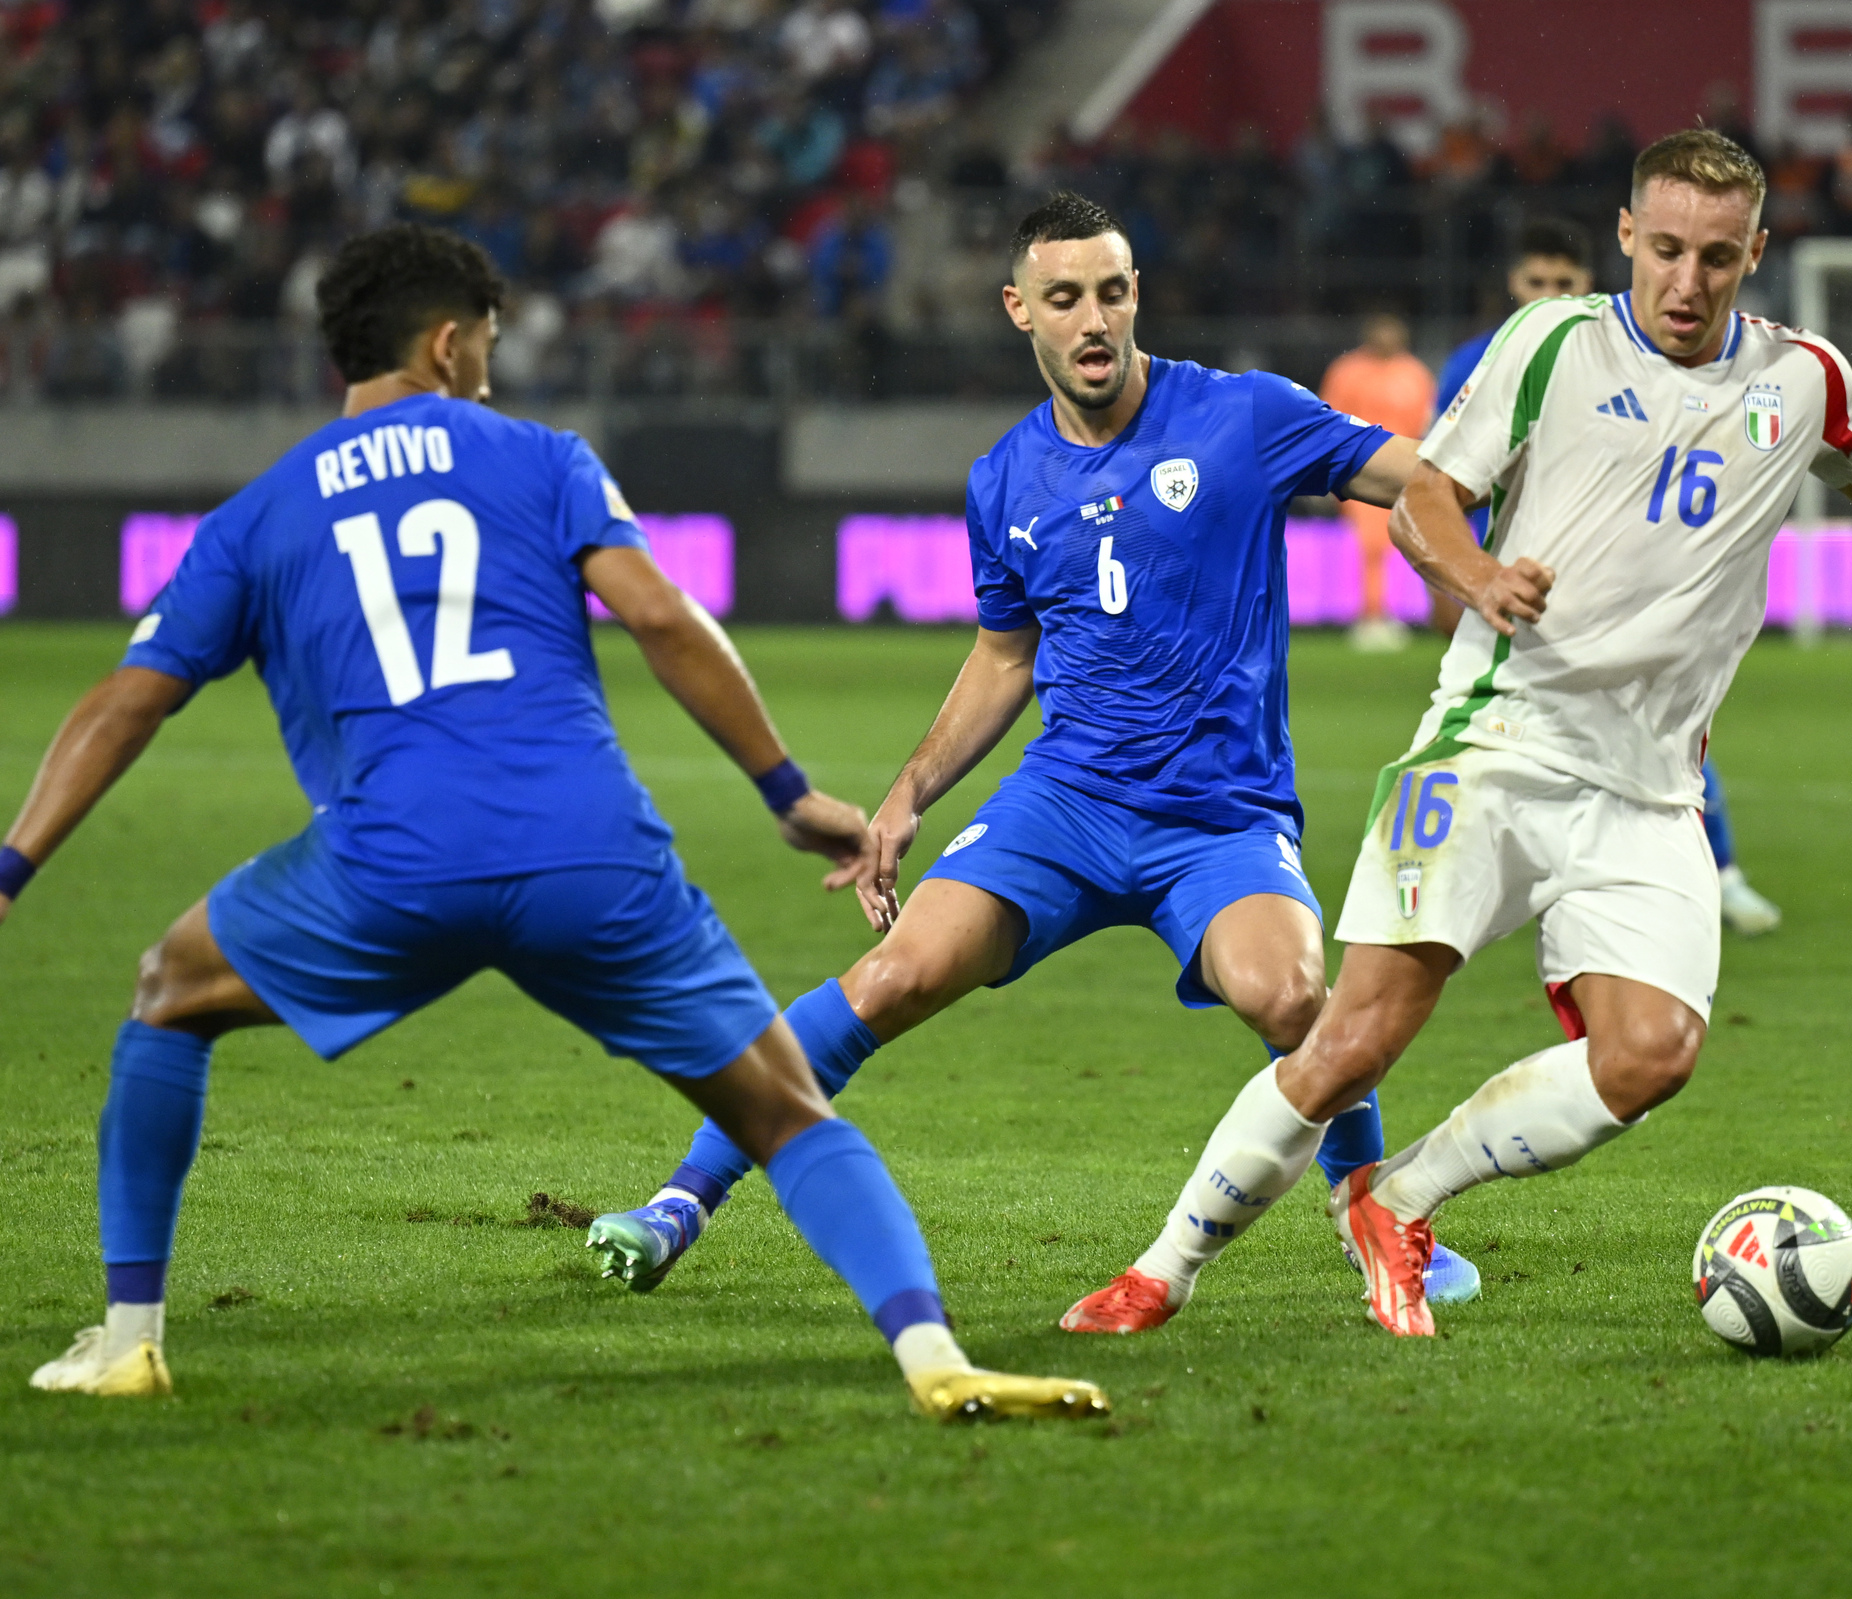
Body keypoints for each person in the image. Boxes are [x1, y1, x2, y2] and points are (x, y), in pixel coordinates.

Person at [1062, 129, 1852, 1336]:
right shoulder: (1550, 343)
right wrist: (1479, 576)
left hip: (1649, 791)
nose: (1686, 284)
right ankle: (1161, 1270)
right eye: (1664, 252)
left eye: (1715, 257)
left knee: (1650, 1053)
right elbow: (1428, 495)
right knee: (1353, 1043)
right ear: (1625, 239)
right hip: (1493, 745)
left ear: (1756, 251)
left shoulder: (1804, 378)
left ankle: (1403, 1197)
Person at [1, 224, 1104, 1422]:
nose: (487, 365)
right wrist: (787, 794)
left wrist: (11, 869)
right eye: (482, 345)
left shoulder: (258, 518)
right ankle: (935, 1359)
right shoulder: (542, 459)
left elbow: (125, 702)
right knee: (787, 1113)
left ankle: (127, 1339)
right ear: (446, 342)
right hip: (593, 861)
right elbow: (666, 620)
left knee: (169, 994)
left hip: (386, 868)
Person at [588, 193, 1482, 1317]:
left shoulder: (1244, 417)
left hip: (1219, 816)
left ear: (1135, 295)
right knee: (896, 975)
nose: (1093, 318)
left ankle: (1378, 1214)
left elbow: (1423, 476)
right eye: (1065, 298)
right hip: (1066, 806)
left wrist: (1526, 515)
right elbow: (1005, 657)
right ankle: (678, 1203)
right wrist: (908, 793)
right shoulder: (1004, 481)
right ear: (1022, 311)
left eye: (1112, 291)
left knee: (1296, 996)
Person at [1435, 217, 1782, 936]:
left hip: (1616, 599)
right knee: (1509, 739)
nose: (1550, 293)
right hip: (1517, 591)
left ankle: (1720, 872)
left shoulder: (1637, 358)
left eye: (1564, 282)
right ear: (1513, 284)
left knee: (1653, 730)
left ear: (1588, 281)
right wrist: (1468, 576)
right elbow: (1446, 480)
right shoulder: (1487, 358)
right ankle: (1510, 886)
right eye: (1538, 282)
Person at [1320, 309, 1436, 651]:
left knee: (1399, 544)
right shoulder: (1347, 372)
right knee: (1371, 545)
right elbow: (1329, 418)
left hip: (1408, 470)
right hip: (1358, 470)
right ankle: (1371, 616)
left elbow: (1430, 421)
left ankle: (1390, 613)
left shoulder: (1414, 373)